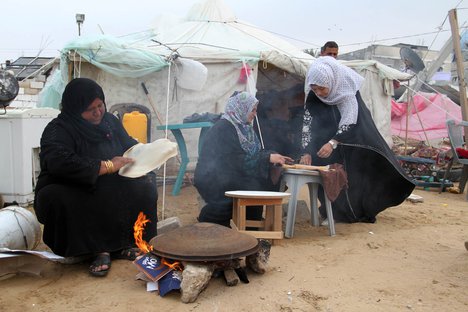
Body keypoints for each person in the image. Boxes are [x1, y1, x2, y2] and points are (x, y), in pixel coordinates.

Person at [34, 78, 158, 277]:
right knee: (62, 196)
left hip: (109, 181)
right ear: (75, 109)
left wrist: (149, 154)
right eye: (90, 109)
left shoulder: (110, 121)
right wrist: (107, 166)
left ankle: (126, 243)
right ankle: (97, 250)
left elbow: (128, 147)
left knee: (143, 185)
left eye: (100, 105)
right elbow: (60, 163)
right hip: (69, 183)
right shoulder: (58, 129)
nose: (98, 112)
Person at [300, 57, 415, 223]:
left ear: (332, 82)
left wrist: (333, 142)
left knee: (349, 177)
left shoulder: (346, 91)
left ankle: (350, 214)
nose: (319, 93)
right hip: (325, 141)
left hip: (351, 139)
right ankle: (330, 211)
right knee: (325, 174)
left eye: (322, 89)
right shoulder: (314, 96)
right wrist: (306, 150)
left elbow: (349, 121)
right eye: (315, 89)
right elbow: (307, 124)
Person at [194, 91, 293, 227]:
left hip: (231, 175)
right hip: (213, 179)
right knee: (254, 187)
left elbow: (256, 152)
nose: (254, 114)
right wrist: (267, 158)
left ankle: (251, 225)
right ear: (241, 108)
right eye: (252, 110)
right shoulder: (223, 128)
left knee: (257, 185)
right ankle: (211, 219)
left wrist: (274, 156)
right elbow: (233, 160)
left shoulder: (244, 129)